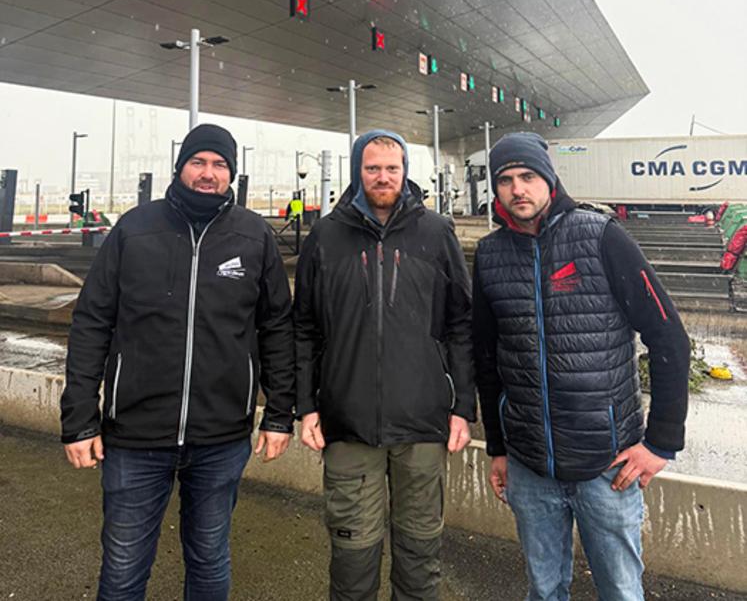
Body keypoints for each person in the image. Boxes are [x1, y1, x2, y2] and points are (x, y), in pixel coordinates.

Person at [61, 123, 295, 601]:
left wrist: (279, 414)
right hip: (134, 436)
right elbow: (91, 324)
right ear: (180, 166)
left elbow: (277, 329)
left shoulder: (253, 237)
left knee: (209, 563)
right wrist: (79, 419)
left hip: (221, 437)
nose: (208, 174)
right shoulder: (134, 229)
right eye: (199, 162)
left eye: (220, 165)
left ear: (231, 173)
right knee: (124, 570)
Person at [472, 131, 690, 601]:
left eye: (528, 176)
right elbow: (487, 359)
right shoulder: (490, 255)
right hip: (530, 466)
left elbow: (668, 336)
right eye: (506, 180)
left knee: (620, 591)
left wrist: (662, 442)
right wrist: (498, 446)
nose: (518, 189)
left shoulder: (602, 236)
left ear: (549, 179)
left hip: (606, 465)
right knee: (545, 589)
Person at [294, 130, 475, 601]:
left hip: (422, 425)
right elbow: (305, 328)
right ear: (358, 171)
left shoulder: (436, 233)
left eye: (392, 168)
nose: (382, 177)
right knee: (352, 557)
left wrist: (464, 408)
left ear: (405, 172)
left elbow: (461, 324)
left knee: (420, 556)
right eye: (372, 168)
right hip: (348, 425)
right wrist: (304, 406)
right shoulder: (326, 237)